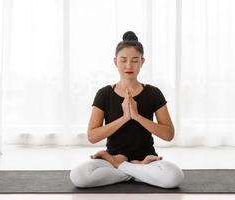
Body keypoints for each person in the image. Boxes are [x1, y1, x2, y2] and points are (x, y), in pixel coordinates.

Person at [70, 31, 184, 188]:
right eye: (123, 60)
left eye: (135, 60)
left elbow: (168, 134)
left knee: (174, 176)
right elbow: (92, 136)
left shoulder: (153, 93)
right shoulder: (104, 94)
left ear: (142, 62)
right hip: (114, 158)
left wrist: (136, 116)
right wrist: (124, 118)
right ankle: (136, 172)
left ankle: (123, 168)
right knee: (78, 176)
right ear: (115, 61)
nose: (129, 66)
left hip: (146, 160)